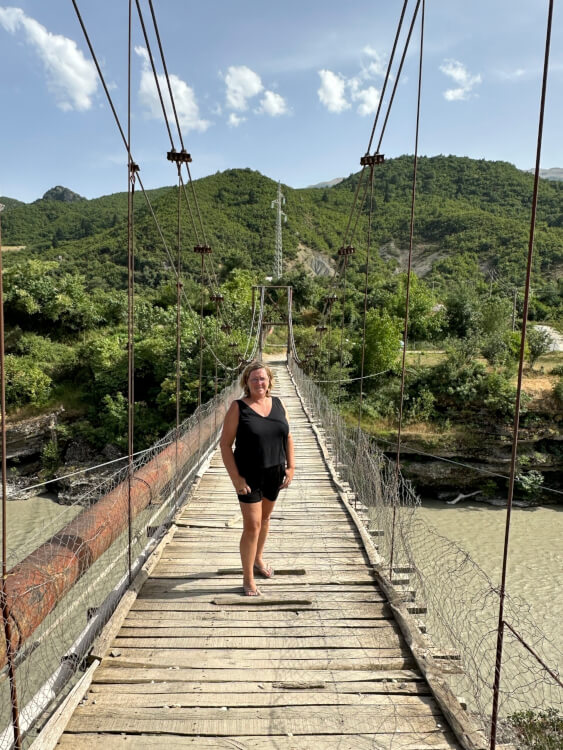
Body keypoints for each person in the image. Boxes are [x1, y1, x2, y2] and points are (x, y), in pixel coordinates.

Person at [220, 361, 295, 596]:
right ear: (246, 383)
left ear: (269, 380)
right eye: (254, 379)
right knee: (252, 525)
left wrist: (291, 467)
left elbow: (288, 436)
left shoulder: (279, 404)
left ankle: (258, 559)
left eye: (262, 378)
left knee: (264, 520)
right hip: (249, 475)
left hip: (275, 472)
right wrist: (236, 479)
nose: (259, 383)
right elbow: (224, 445)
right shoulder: (238, 408)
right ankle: (248, 577)